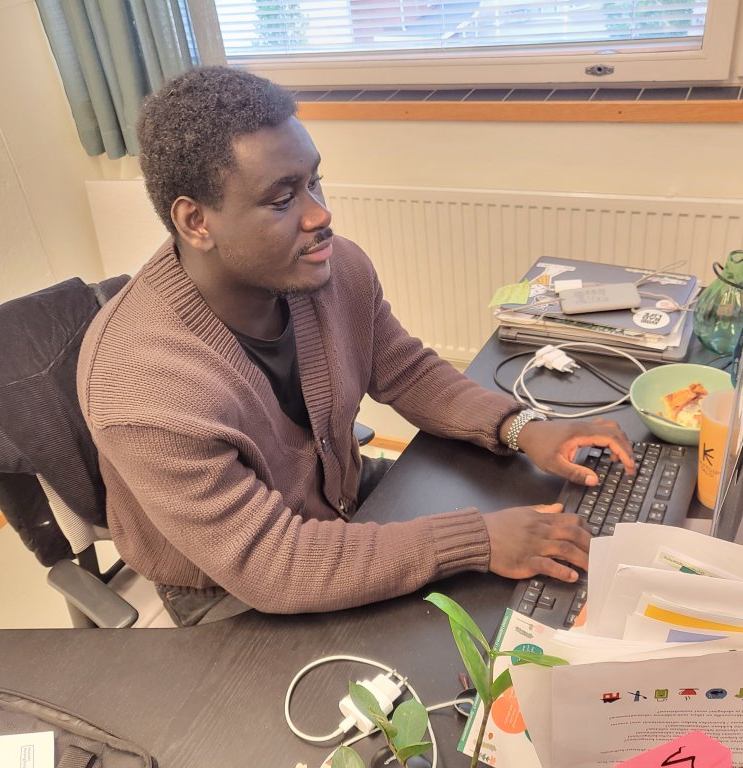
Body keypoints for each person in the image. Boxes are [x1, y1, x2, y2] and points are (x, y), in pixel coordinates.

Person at [77, 66, 634, 626]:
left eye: (313, 182)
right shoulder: (139, 388)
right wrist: (476, 541)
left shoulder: (331, 269)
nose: (321, 215)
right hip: (229, 586)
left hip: (335, 496)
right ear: (195, 221)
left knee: (533, 534)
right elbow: (273, 563)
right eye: (281, 199)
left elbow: (404, 369)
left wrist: (522, 428)